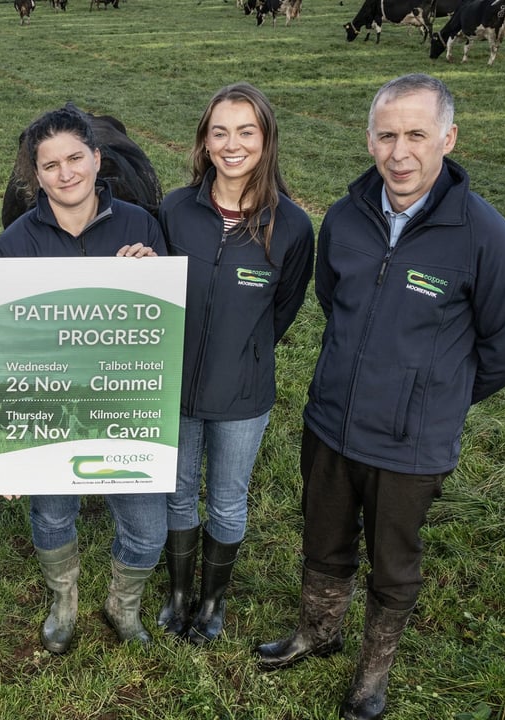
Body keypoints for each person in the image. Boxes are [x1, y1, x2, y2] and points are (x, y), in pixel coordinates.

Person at [254, 74, 505, 720]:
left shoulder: (484, 237)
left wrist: (439, 392)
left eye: (417, 134)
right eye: (387, 135)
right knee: (323, 538)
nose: (400, 152)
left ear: (448, 138)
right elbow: (334, 298)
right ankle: (317, 633)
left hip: (410, 445)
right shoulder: (349, 216)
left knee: (394, 562)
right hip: (331, 422)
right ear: (369, 139)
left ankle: (371, 677)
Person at [0, 105, 165, 651]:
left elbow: (161, 324)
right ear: (33, 176)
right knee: (51, 513)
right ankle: (63, 601)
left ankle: (123, 602)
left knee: (148, 527)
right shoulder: (15, 244)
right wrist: (5, 442)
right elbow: (1, 345)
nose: (65, 174)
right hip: (46, 405)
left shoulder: (141, 225)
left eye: (75, 159)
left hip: (125, 402)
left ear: (97, 158)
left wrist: (150, 279)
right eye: (50, 165)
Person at [155, 83, 315, 646]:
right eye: (219, 131)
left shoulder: (291, 225)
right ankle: (177, 595)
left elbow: (283, 308)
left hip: (242, 394)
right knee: (176, 492)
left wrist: (242, 353)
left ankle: (213, 603)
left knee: (226, 498)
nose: (232, 144)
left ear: (266, 139)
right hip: (172, 387)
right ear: (204, 140)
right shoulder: (173, 209)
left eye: (246, 131)